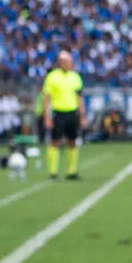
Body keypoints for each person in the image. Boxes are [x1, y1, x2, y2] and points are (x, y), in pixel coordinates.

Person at [37, 49, 86, 180]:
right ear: (61, 62)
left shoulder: (75, 77)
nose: (69, 64)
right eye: (66, 61)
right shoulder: (52, 77)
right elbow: (46, 98)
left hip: (72, 112)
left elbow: (79, 98)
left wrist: (82, 115)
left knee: (72, 142)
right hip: (58, 112)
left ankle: (72, 171)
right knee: (55, 142)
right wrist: (47, 116)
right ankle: (53, 172)